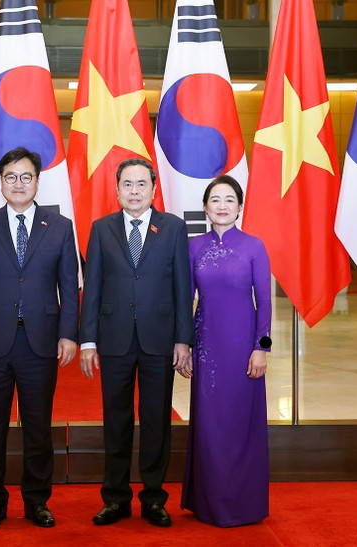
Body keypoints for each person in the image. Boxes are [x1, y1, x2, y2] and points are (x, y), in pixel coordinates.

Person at [0, 147, 79, 529]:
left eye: (26, 177)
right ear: (1, 182)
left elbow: (68, 286)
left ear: (37, 181)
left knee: (38, 426)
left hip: (41, 342)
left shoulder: (59, 227)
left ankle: (36, 501)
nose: (18, 183)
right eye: (11, 177)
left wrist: (68, 334)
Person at [79, 158, 194, 528]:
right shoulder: (101, 229)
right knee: (116, 421)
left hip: (159, 339)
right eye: (127, 184)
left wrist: (182, 339)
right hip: (113, 340)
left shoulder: (174, 229)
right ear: (116, 190)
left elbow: (182, 287)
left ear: (154, 189)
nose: (134, 191)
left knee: (157, 420)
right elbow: (92, 287)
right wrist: (88, 341)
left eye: (141, 184)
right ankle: (114, 498)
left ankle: (154, 498)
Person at [181, 175, 272, 527]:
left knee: (240, 423)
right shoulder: (193, 247)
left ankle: (243, 504)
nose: (222, 206)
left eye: (229, 200)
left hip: (243, 348)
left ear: (239, 206)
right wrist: (186, 345)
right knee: (209, 425)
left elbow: (263, 301)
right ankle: (208, 503)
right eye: (215, 200)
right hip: (207, 350)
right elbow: (186, 299)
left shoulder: (254, 246)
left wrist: (261, 348)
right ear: (205, 207)